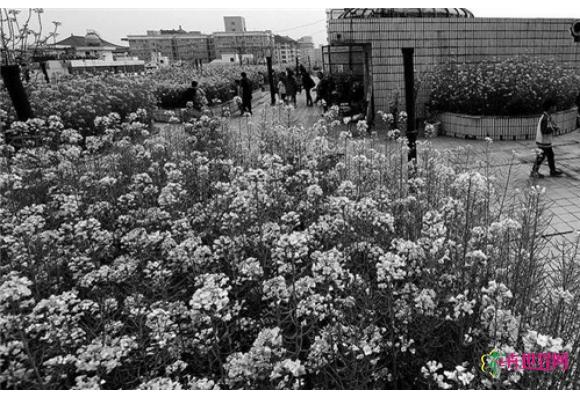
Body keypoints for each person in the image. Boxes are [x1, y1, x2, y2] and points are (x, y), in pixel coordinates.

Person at [530, 98, 563, 179]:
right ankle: (534, 172)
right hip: (543, 142)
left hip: (545, 141)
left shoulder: (547, 116)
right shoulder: (545, 118)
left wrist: (553, 126)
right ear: (550, 107)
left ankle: (552, 171)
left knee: (549, 155)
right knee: (541, 157)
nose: (556, 108)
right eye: (554, 107)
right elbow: (544, 130)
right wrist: (554, 129)